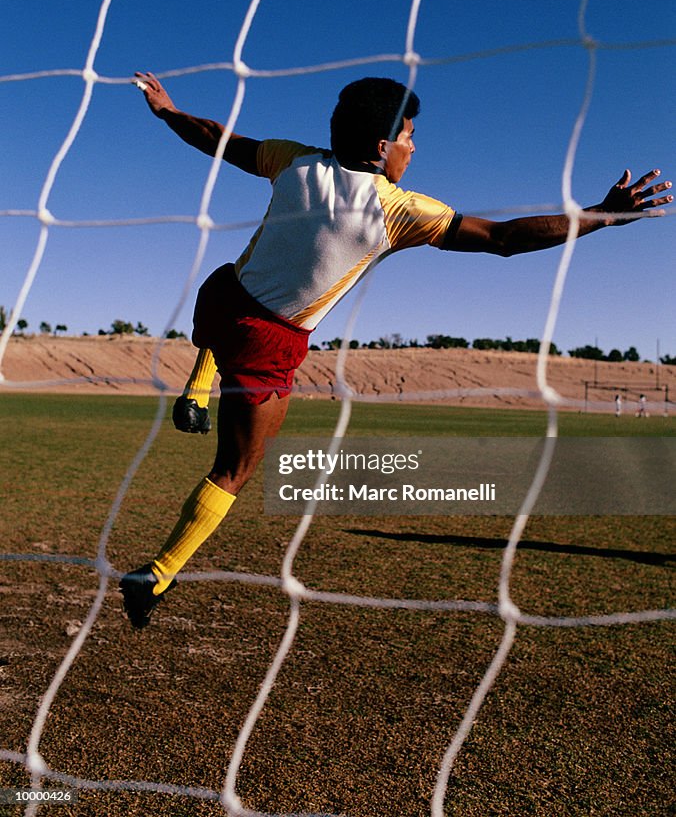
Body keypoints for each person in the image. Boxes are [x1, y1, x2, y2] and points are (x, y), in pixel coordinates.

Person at [120, 72, 672, 629]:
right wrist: (602, 215)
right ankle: (159, 573)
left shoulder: (294, 160)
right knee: (236, 467)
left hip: (219, 303)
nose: (414, 146)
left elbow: (218, 137)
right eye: (409, 136)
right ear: (383, 148)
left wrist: (167, 111)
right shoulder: (398, 208)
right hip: (271, 340)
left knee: (232, 280)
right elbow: (504, 240)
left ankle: (198, 386)